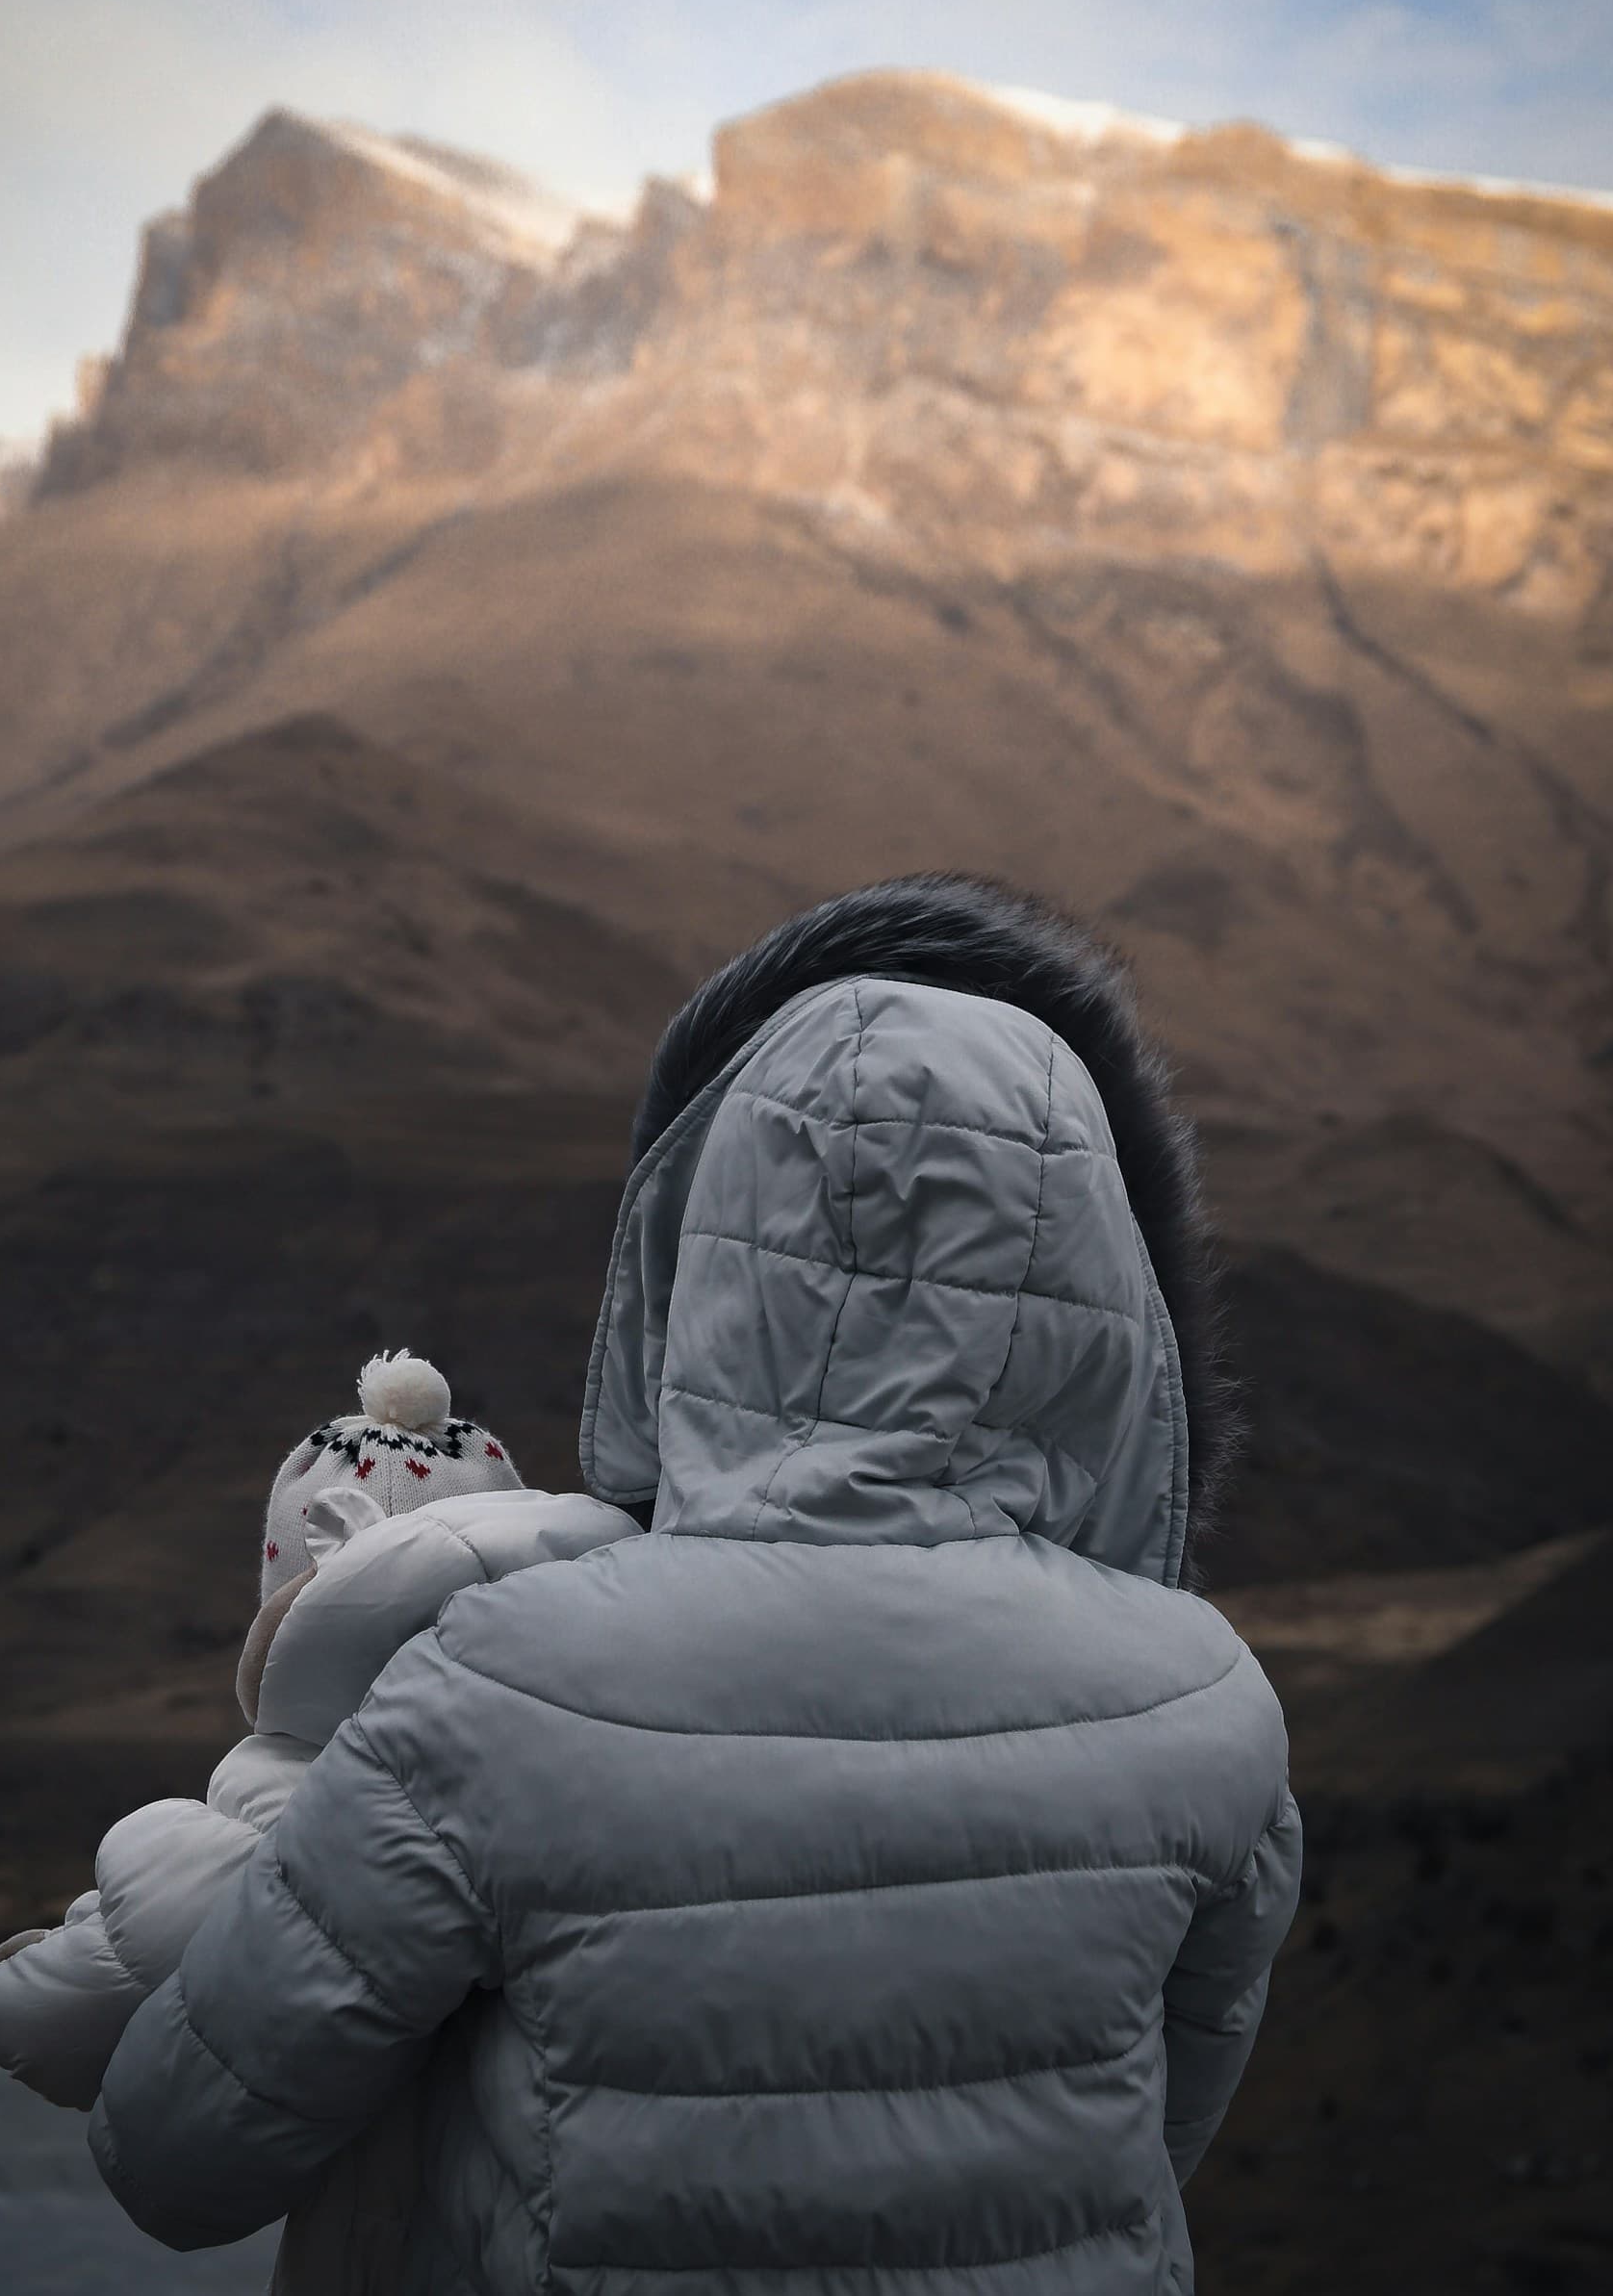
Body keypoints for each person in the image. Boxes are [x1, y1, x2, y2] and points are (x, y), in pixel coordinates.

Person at [90, 874, 1304, 2294]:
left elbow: (177, 2159)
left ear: (692, 1252)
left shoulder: (497, 1684)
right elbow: (1151, 2143)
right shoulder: (1206, 1700)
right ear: (1100, 1279)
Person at [0, 1351, 633, 2288]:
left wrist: (6, 1979)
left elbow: (75, 2008)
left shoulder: (285, 1798)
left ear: (291, 1612)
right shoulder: (608, 1736)